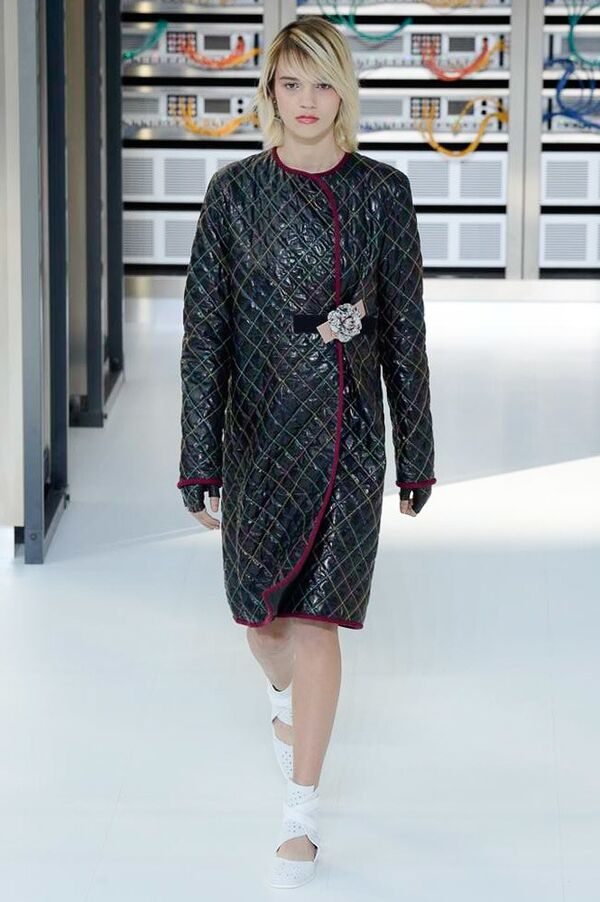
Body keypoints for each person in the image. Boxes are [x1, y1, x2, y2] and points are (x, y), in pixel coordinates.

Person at [176, 16, 436, 888]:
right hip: (257, 436)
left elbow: (405, 336)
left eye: (324, 83)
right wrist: (199, 459)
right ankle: (281, 697)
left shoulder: (382, 193)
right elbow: (204, 337)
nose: (309, 101)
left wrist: (416, 454)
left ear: (344, 93)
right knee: (264, 623)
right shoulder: (233, 195)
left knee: (319, 622)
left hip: (348, 438)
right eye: (292, 84)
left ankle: (300, 816)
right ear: (271, 94)